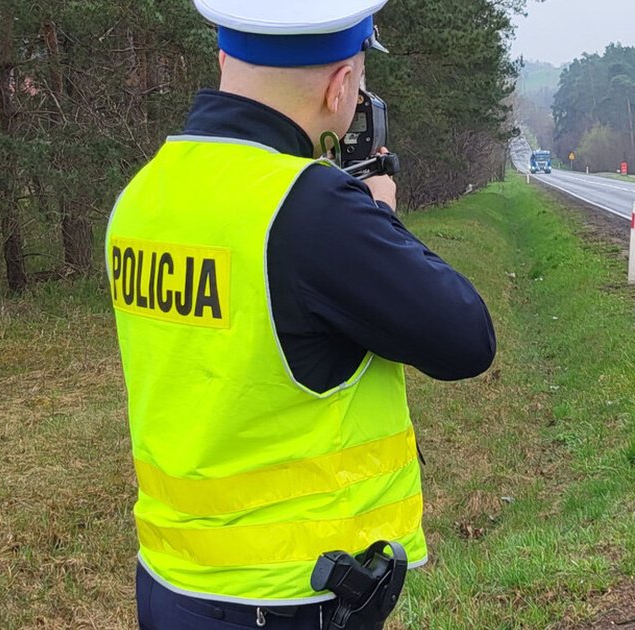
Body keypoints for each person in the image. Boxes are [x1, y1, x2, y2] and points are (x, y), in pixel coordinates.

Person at [105, 1, 497, 627]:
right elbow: (466, 339)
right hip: (287, 591)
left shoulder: (143, 193)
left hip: (168, 577)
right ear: (342, 84)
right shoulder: (312, 209)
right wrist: (377, 217)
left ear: (225, 57)